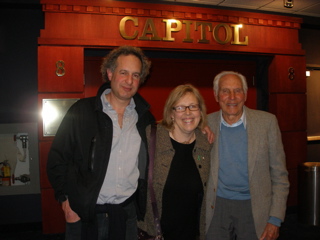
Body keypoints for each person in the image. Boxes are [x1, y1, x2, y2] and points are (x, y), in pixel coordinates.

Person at [47, 45, 156, 240]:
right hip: (84, 214)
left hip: (126, 216)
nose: (129, 81)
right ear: (110, 73)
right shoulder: (82, 111)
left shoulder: (145, 118)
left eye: (136, 75)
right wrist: (65, 201)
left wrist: (203, 128)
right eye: (124, 73)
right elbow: (57, 159)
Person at [206, 71, 290, 240]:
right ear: (216, 95)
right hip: (217, 205)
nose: (232, 97)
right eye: (225, 91)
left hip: (255, 207)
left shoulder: (267, 123)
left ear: (245, 94)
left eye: (237, 90)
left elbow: (279, 175)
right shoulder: (205, 123)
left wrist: (275, 219)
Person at [138, 84, 213, 240]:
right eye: (180, 108)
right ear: (171, 113)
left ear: (200, 111)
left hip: (193, 234)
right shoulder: (151, 138)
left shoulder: (206, 144)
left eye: (193, 106)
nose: (187, 113)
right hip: (157, 234)